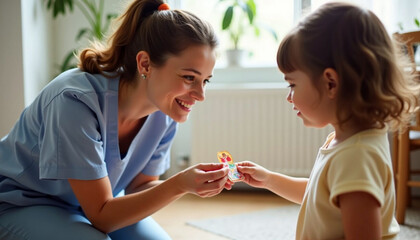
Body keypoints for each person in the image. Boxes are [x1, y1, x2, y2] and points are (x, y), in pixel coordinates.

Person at [0, 0, 230, 239]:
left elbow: (140, 187)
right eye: (188, 77)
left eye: (205, 80)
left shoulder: (166, 111)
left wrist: (191, 184)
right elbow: (102, 216)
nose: (200, 95)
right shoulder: (75, 100)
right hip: (21, 203)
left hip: (90, 206)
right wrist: (179, 184)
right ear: (145, 64)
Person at [235, 2, 419, 239]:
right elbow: (320, 197)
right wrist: (269, 179)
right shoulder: (348, 141)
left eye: (292, 84)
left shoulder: (356, 156)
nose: (288, 97)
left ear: (330, 83)